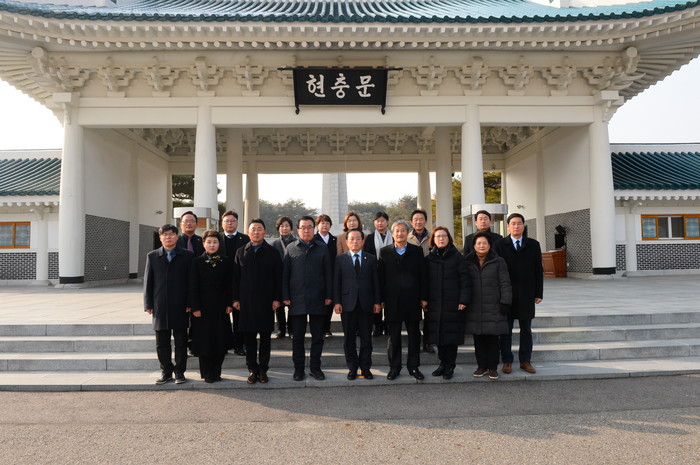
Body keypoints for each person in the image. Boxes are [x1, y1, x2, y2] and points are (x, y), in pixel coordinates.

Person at [283, 216, 333, 381]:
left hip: (318, 298)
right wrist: (285, 296)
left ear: (314, 229)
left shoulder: (322, 248)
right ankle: (298, 369)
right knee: (298, 338)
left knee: (318, 337)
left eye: (310, 227)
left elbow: (328, 274)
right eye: (303, 227)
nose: (306, 230)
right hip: (297, 299)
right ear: (298, 230)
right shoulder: (291, 248)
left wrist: (329, 295)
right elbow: (285, 275)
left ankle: (315, 368)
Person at [233, 219, 282, 384]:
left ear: (264, 232)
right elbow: (235, 278)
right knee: (249, 340)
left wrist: (277, 298)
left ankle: (263, 370)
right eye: (253, 229)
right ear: (248, 232)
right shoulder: (241, 252)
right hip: (246, 302)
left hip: (266, 302)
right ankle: (252, 370)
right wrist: (235, 298)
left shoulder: (272, 252)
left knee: (265, 339)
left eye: (259, 229)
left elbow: (278, 278)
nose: (256, 232)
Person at [493, 213, 544, 374]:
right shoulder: (499, 245)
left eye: (519, 223)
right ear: (508, 226)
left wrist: (538, 293)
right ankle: (507, 361)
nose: (516, 226)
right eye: (513, 223)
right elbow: (495, 271)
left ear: (523, 226)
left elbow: (538, 270)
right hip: (506, 294)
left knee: (526, 329)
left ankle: (525, 360)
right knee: (505, 330)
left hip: (526, 294)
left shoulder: (533, 244)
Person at [144, 224, 194, 385]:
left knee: (181, 342)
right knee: (162, 343)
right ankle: (166, 371)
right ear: (160, 238)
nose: (168, 237)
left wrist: (190, 301)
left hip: (181, 305)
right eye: (165, 234)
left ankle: (179, 372)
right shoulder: (152, 256)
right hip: (160, 305)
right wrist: (148, 303)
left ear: (177, 236)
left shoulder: (187, 255)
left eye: (171, 234)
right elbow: (148, 282)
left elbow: (191, 282)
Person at [379, 220, 428, 381]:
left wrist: (423, 297)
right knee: (393, 336)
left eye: (403, 230)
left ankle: (414, 367)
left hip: (412, 300)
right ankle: (394, 367)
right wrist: (381, 299)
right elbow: (381, 278)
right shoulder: (384, 252)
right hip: (392, 301)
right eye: (397, 231)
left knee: (414, 335)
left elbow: (422, 275)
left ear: (408, 233)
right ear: (392, 233)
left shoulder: (416, 251)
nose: (400, 233)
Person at [333, 229, 381, 380]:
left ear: (362, 241)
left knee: (367, 339)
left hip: (367, 304)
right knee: (349, 339)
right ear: (346, 242)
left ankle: (365, 368)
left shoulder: (371, 258)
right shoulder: (340, 259)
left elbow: (376, 282)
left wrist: (377, 301)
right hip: (347, 304)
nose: (355, 241)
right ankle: (352, 368)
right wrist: (337, 302)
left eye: (358, 239)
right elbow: (336, 282)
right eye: (352, 239)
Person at [188, 230, 234, 383]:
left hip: (221, 307)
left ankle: (216, 372)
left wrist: (229, 304)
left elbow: (230, 285)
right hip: (202, 308)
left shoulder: (226, 261)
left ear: (219, 244)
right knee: (204, 341)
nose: (212, 245)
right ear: (203, 244)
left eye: (215, 242)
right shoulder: (196, 262)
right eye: (209, 242)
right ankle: (206, 372)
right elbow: (192, 286)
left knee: (220, 340)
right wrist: (195, 307)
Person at [464, 231, 512, 381]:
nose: (481, 246)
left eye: (484, 243)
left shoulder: (499, 261)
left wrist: (505, 301)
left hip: (493, 306)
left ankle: (492, 368)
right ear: (474, 246)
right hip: (474, 307)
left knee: (492, 339)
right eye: (478, 243)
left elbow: (505, 283)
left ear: (490, 245)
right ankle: (481, 366)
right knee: (478, 339)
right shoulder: (467, 261)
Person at [424, 227, 471, 380]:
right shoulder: (429, 258)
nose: (441, 239)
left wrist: (463, 300)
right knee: (438, 336)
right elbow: (424, 282)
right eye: (438, 236)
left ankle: (450, 365)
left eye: (444, 236)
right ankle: (442, 364)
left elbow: (465, 280)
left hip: (453, 303)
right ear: (433, 240)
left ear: (449, 238)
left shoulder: (457, 257)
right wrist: (424, 299)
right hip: (435, 304)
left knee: (451, 338)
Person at [219, 210, 250, 356]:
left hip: (239, 282)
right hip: (221, 282)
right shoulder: (216, 238)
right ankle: (224, 343)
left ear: (237, 223)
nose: (229, 223)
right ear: (222, 223)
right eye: (226, 221)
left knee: (239, 315)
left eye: (232, 221)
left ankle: (239, 345)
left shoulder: (245, 239)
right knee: (221, 315)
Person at [407, 208, 434, 354]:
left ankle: (428, 342)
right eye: (415, 219)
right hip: (411, 281)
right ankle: (415, 342)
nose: (418, 222)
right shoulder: (406, 237)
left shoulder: (433, 237)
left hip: (429, 278)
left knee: (429, 314)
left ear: (426, 221)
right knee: (413, 315)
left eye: (421, 219)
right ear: (411, 222)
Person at [364, 211, 393, 336]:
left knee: (389, 299)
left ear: (387, 222)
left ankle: (388, 324)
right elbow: (367, 255)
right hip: (374, 272)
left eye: (382, 220)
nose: (380, 223)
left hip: (391, 273)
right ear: (374, 223)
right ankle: (377, 326)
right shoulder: (370, 238)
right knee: (376, 298)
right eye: (377, 221)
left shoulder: (394, 236)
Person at [270, 216, 296, 339]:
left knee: (293, 306)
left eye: (287, 226)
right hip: (278, 278)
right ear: (278, 228)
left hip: (293, 279)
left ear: (291, 228)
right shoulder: (274, 244)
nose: (284, 228)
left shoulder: (296, 243)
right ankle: (281, 329)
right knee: (279, 306)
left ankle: (291, 329)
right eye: (282, 226)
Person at [314, 214, 337, 338]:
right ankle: (318, 329)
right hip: (317, 276)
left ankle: (326, 328)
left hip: (332, 276)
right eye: (322, 223)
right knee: (318, 303)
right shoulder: (313, 239)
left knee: (329, 302)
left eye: (327, 223)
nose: (325, 225)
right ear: (317, 226)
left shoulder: (335, 240)